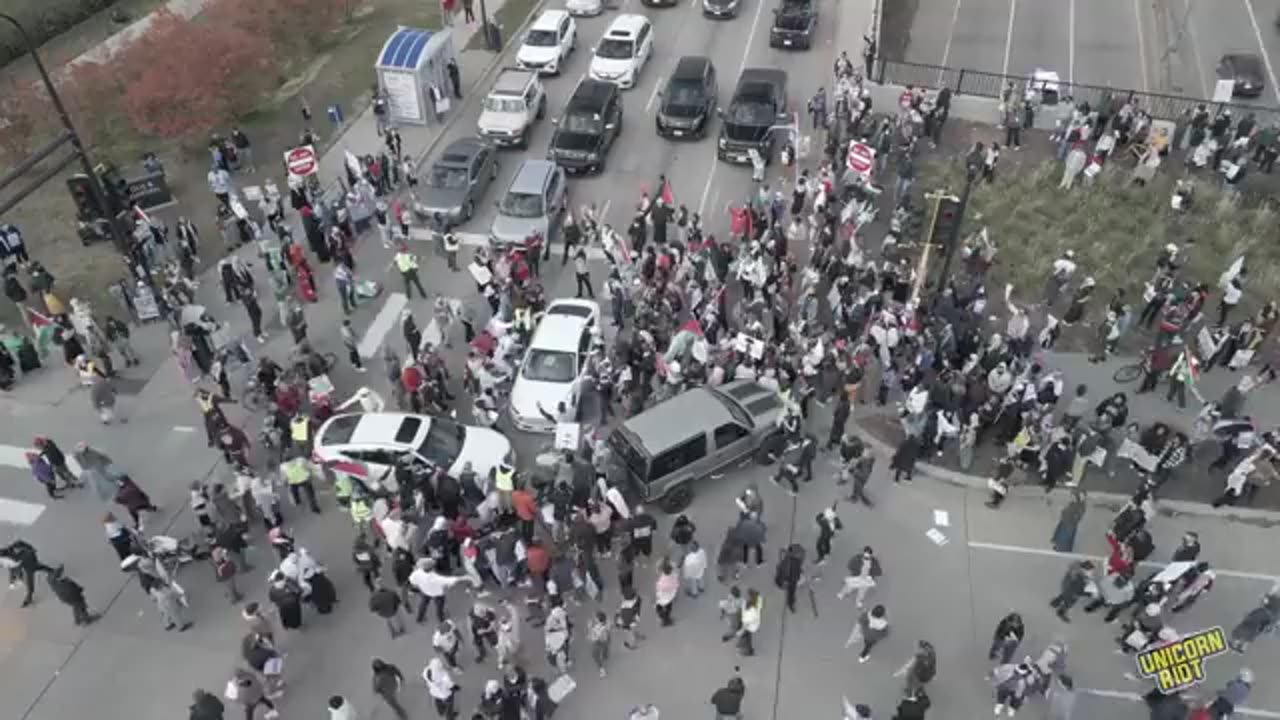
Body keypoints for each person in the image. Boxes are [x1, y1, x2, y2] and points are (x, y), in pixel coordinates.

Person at [1, 539, 58, 607]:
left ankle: (29, 598)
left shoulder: (12, 556)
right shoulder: (8, 553)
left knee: (30, 578)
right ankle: (52, 571)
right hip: (27, 558)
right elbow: (12, 567)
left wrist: (13, 579)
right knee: (36, 567)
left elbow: (13, 567)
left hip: (28, 561)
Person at [588, 609, 611, 677]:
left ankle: (602, 670)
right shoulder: (606, 624)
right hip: (606, 641)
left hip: (598, 643)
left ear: (598, 620)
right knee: (605, 647)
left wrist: (589, 628)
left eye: (596, 618)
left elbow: (592, 638)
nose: (594, 619)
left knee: (595, 656)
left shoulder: (596, 628)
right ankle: (605, 655)